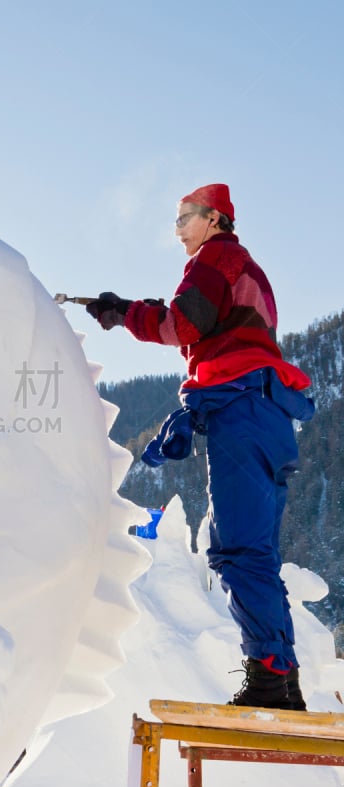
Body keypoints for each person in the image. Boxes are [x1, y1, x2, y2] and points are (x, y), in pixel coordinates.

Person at [85, 183, 315, 710]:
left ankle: (267, 679)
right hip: (267, 414)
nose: (178, 228)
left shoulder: (216, 257)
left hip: (243, 409)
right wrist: (130, 310)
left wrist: (125, 314)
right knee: (257, 552)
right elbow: (205, 324)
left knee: (236, 551)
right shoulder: (240, 266)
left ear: (215, 218)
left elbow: (184, 323)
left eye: (185, 216)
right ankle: (284, 679)